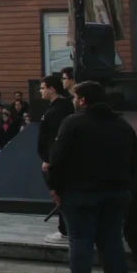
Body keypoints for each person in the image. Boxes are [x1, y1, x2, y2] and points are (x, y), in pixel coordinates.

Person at [47, 81, 137, 273]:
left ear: (83, 100)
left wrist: (54, 187)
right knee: (112, 240)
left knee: (80, 239)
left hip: (80, 192)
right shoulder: (122, 125)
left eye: (75, 97)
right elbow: (134, 161)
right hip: (116, 192)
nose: (74, 101)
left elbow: (57, 159)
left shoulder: (73, 123)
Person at [38, 74, 75, 245]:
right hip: (56, 158)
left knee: (59, 194)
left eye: (43, 88)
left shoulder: (57, 110)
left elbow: (54, 138)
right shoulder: (60, 107)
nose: (40, 91)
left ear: (51, 89)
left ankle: (65, 230)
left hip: (55, 160)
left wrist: (48, 159)